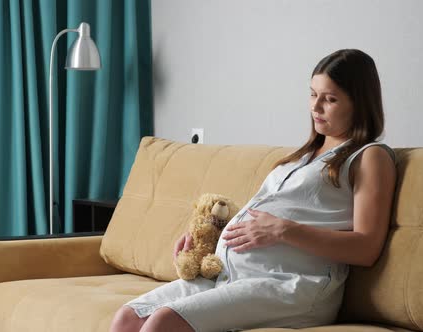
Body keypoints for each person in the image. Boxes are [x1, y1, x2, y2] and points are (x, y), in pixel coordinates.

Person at [109, 49, 397, 332]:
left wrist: (283, 230)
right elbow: (264, 219)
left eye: (330, 99)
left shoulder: (369, 157)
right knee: (127, 318)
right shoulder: (304, 155)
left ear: (359, 103)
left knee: (163, 323)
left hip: (291, 284)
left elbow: (367, 248)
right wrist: (211, 237)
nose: (315, 107)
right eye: (312, 94)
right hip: (230, 274)